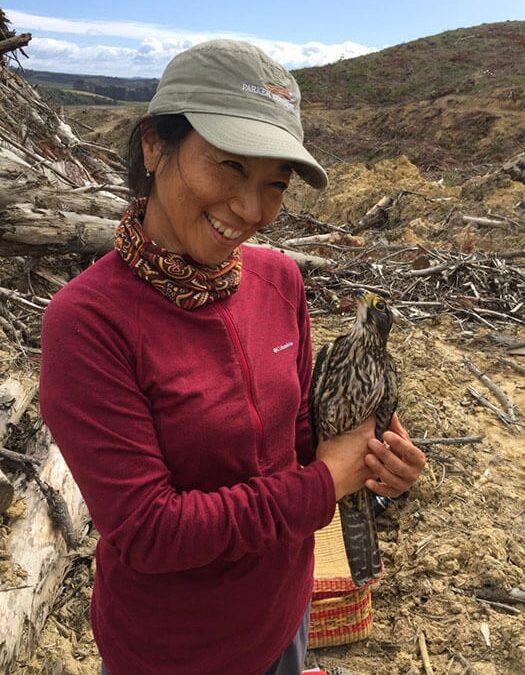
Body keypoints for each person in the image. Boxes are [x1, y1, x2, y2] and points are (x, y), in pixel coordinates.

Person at [39, 40, 425, 675]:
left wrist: (377, 462)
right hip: (174, 652)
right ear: (154, 146)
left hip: (283, 618)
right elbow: (149, 533)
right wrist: (326, 481)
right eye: (228, 168)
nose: (251, 210)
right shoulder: (88, 323)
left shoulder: (280, 282)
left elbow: (299, 440)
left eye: (273, 185)